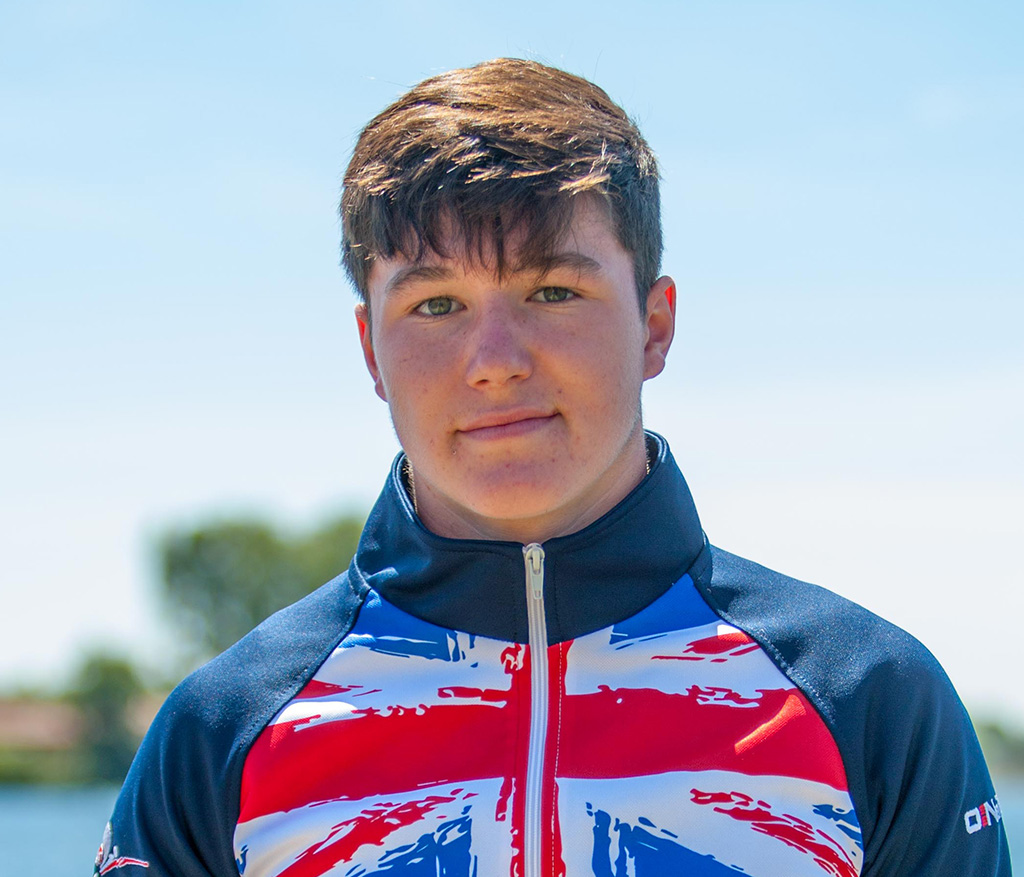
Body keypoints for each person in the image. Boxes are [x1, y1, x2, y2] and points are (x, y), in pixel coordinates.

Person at [95, 59, 1011, 877]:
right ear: (371, 350)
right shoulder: (222, 734)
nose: (495, 360)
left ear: (655, 325)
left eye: (552, 291)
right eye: (437, 303)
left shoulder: (867, 700)